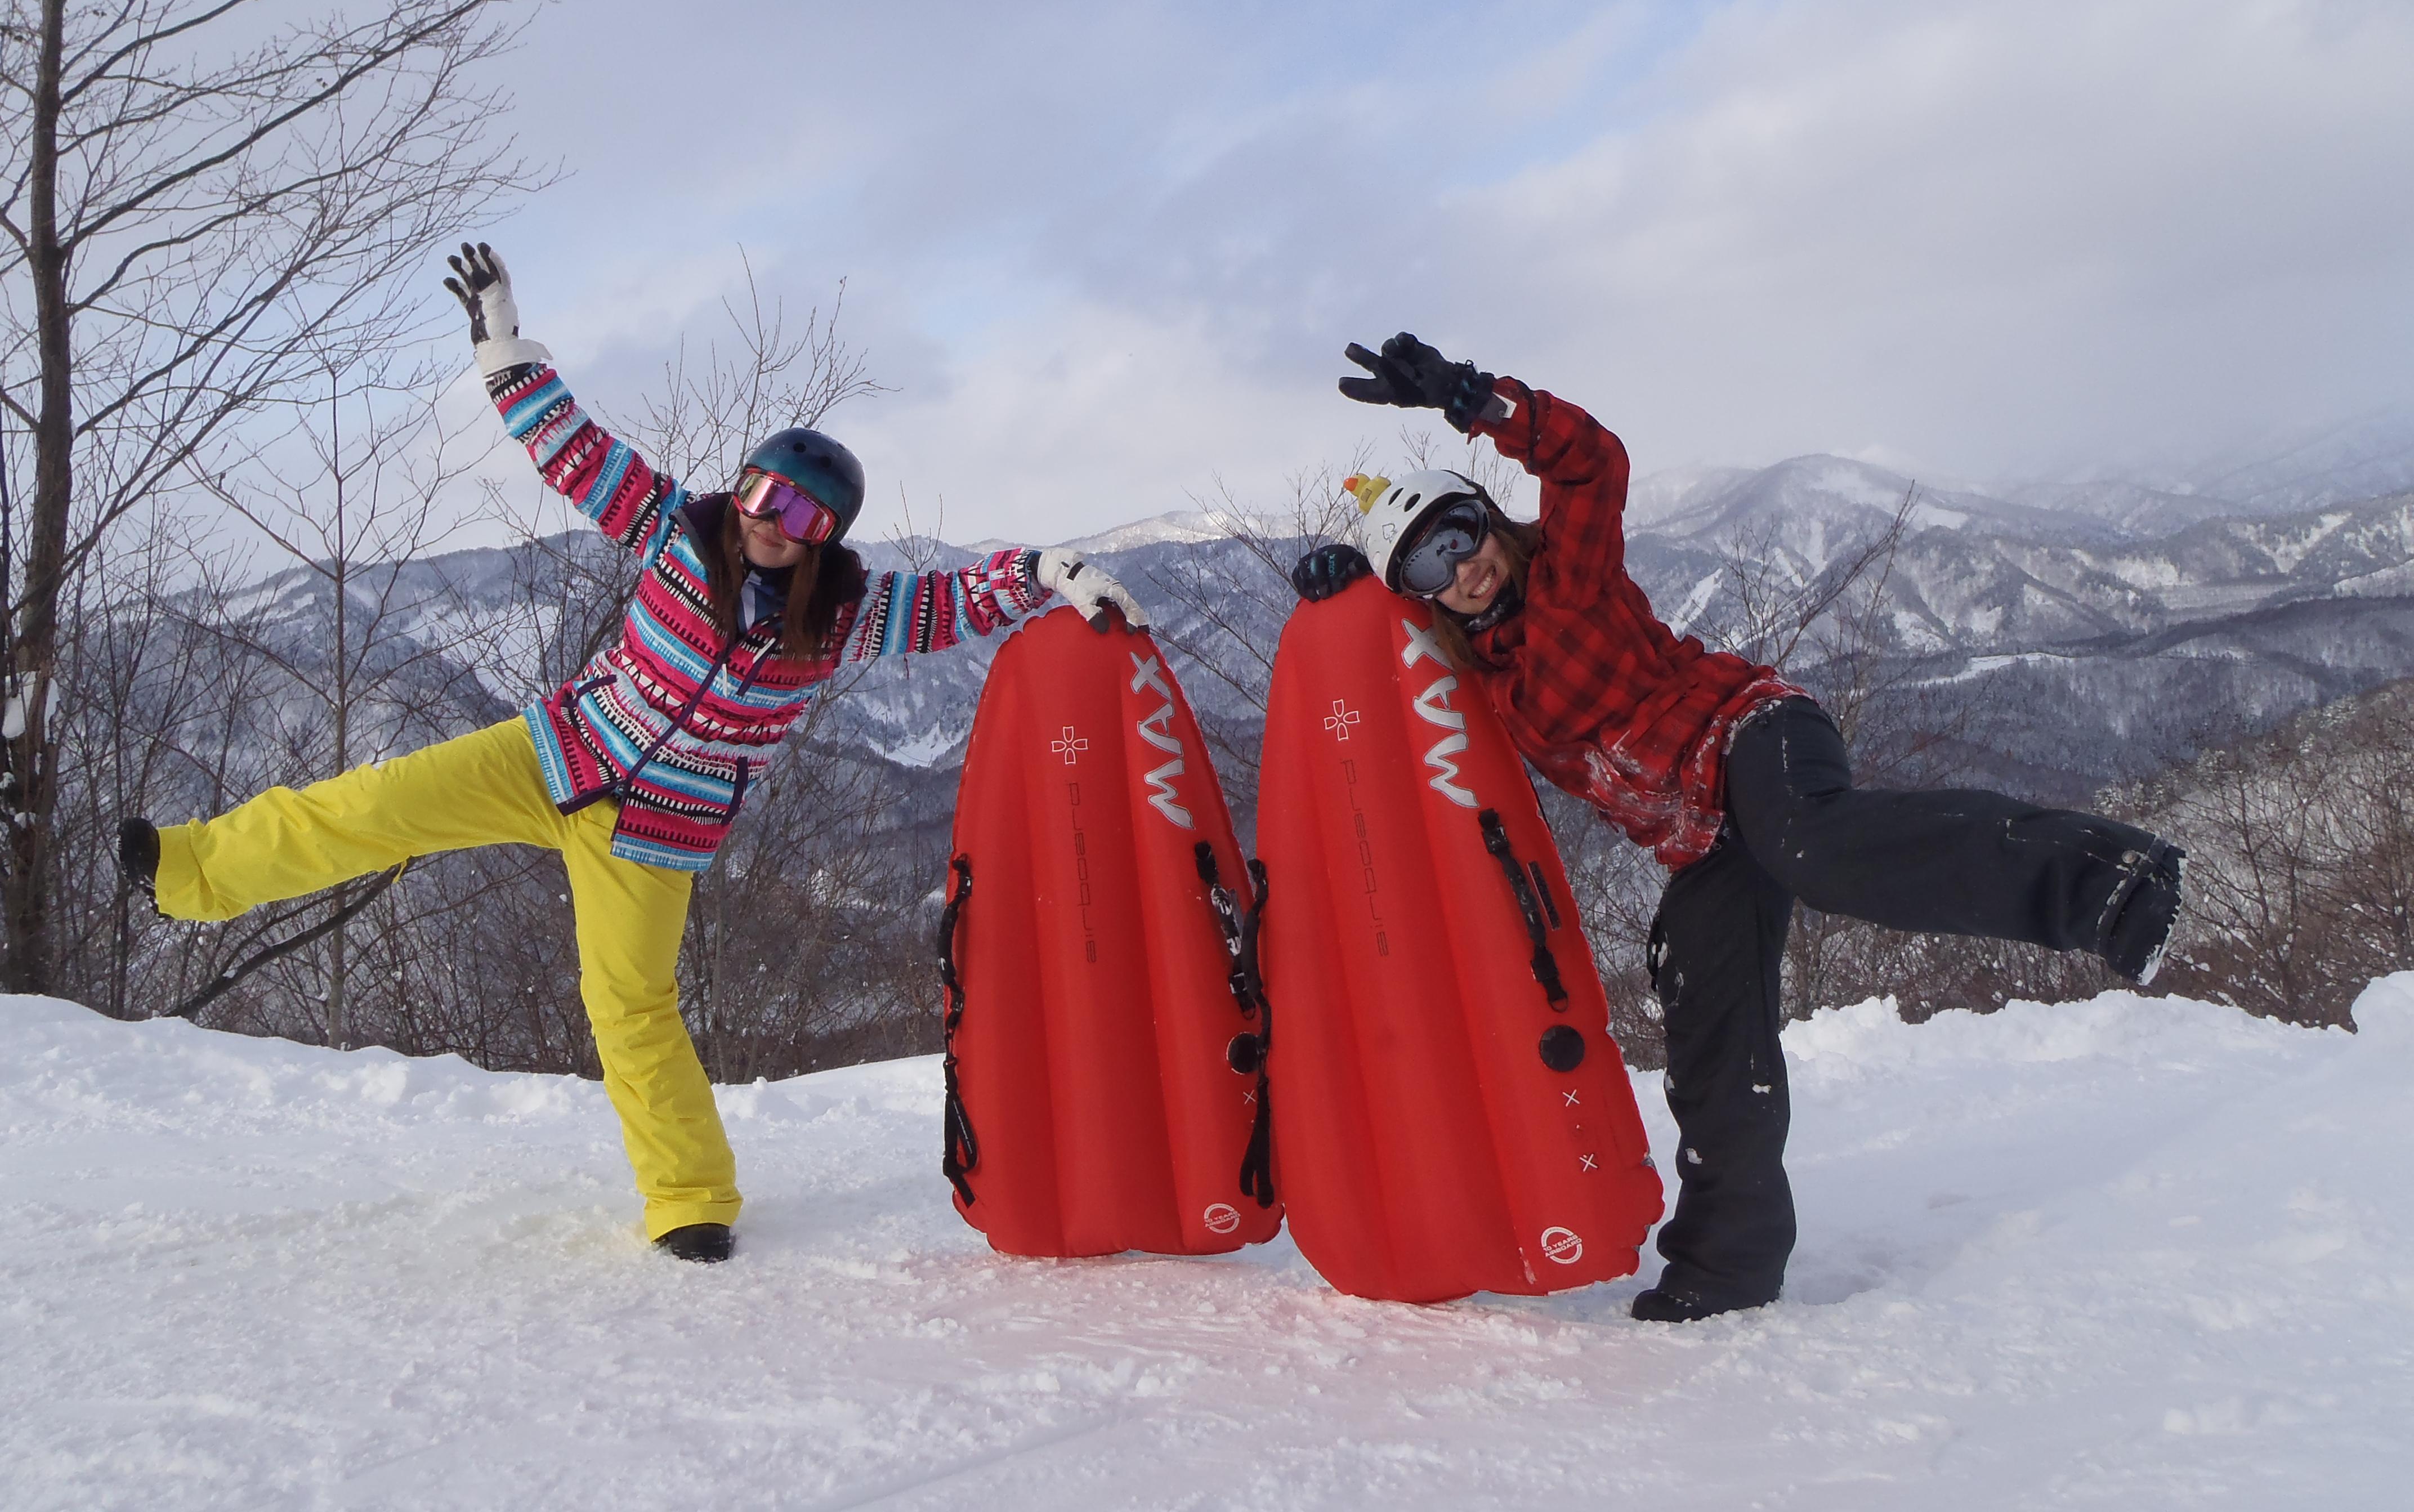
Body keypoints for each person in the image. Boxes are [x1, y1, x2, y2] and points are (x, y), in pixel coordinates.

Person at [119, 243, 1147, 1263]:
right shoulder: (672, 533)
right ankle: (192, 870)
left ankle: (689, 1199)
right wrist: (505, 350)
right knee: (368, 805)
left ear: (826, 536)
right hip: (555, 754)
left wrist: (1050, 571)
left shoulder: (838, 620)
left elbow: (950, 602)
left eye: (796, 512)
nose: (765, 519)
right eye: (756, 491)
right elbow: (573, 450)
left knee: (630, 1009)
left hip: (653, 836)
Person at [1293, 333, 2185, 1322]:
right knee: (1707, 1017)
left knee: (1821, 849)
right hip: (1702, 836)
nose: (1461, 570)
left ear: (1492, 524)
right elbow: (1388, 678)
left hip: (1752, 736)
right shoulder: (1476, 676)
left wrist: (1476, 400)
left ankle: (2114, 881)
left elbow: (1593, 464)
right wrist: (1349, 604)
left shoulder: (1567, 587)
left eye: (1464, 537)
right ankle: (1728, 1266)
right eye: (1427, 567)